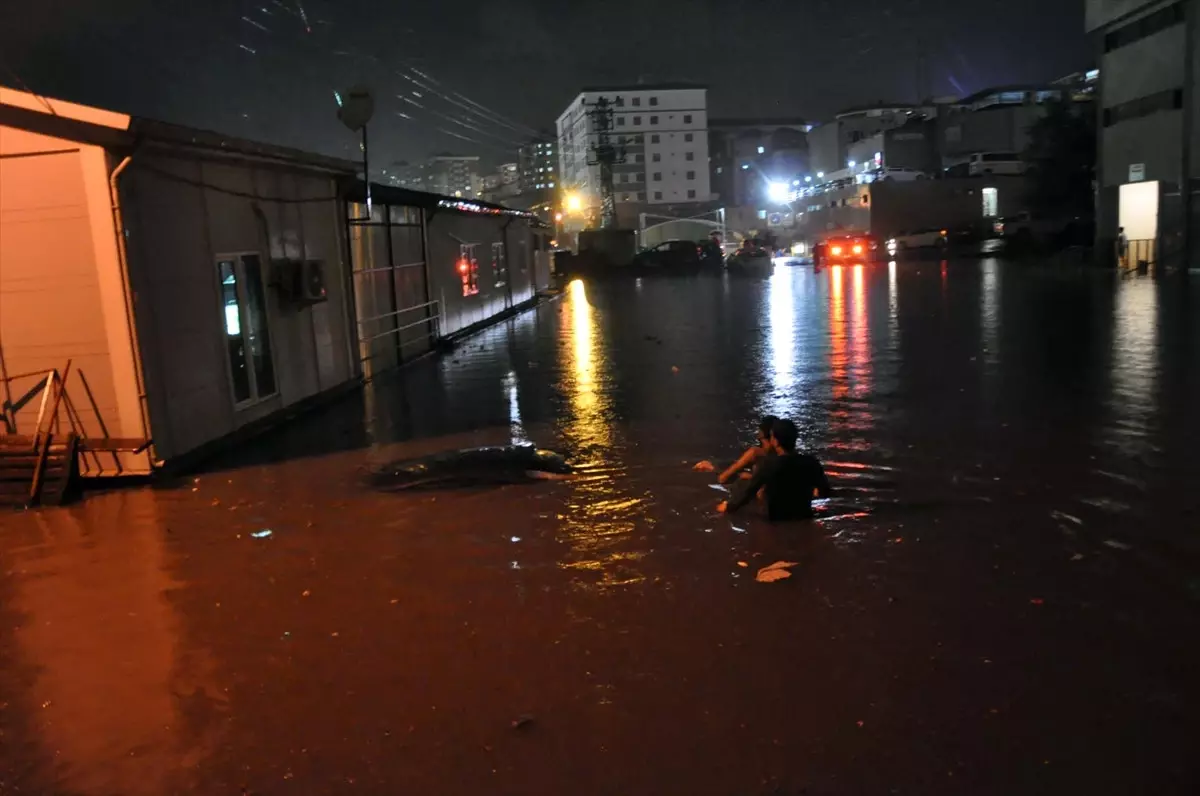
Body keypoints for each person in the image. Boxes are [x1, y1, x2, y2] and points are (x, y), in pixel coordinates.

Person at [717, 418, 831, 520]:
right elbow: (825, 491)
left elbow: (748, 492)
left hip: (776, 519)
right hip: (804, 516)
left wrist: (728, 506)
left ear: (775, 441)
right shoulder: (812, 463)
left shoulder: (768, 465)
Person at [692, 415, 776, 483]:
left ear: (761, 433)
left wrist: (713, 469)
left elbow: (723, 478)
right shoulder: (778, 452)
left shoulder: (755, 452)